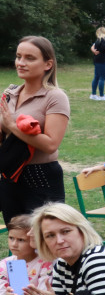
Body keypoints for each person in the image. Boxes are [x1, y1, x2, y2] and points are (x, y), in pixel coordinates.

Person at [0, 37, 71, 224]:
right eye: (18, 57)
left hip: (41, 176)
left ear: (48, 64)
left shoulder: (55, 97)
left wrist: (13, 127)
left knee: (45, 239)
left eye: (29, 58)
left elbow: (51, 144)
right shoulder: (9, 94)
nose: (21, 63)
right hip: (10, 176)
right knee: (18, 239)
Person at [90, 27, 105, 101]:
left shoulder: (98, 40)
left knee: (96, 77)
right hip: (103, 60)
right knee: (102, 78)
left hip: (97, 60)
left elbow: (95, 48)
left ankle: (93, 94)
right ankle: (102, 95)